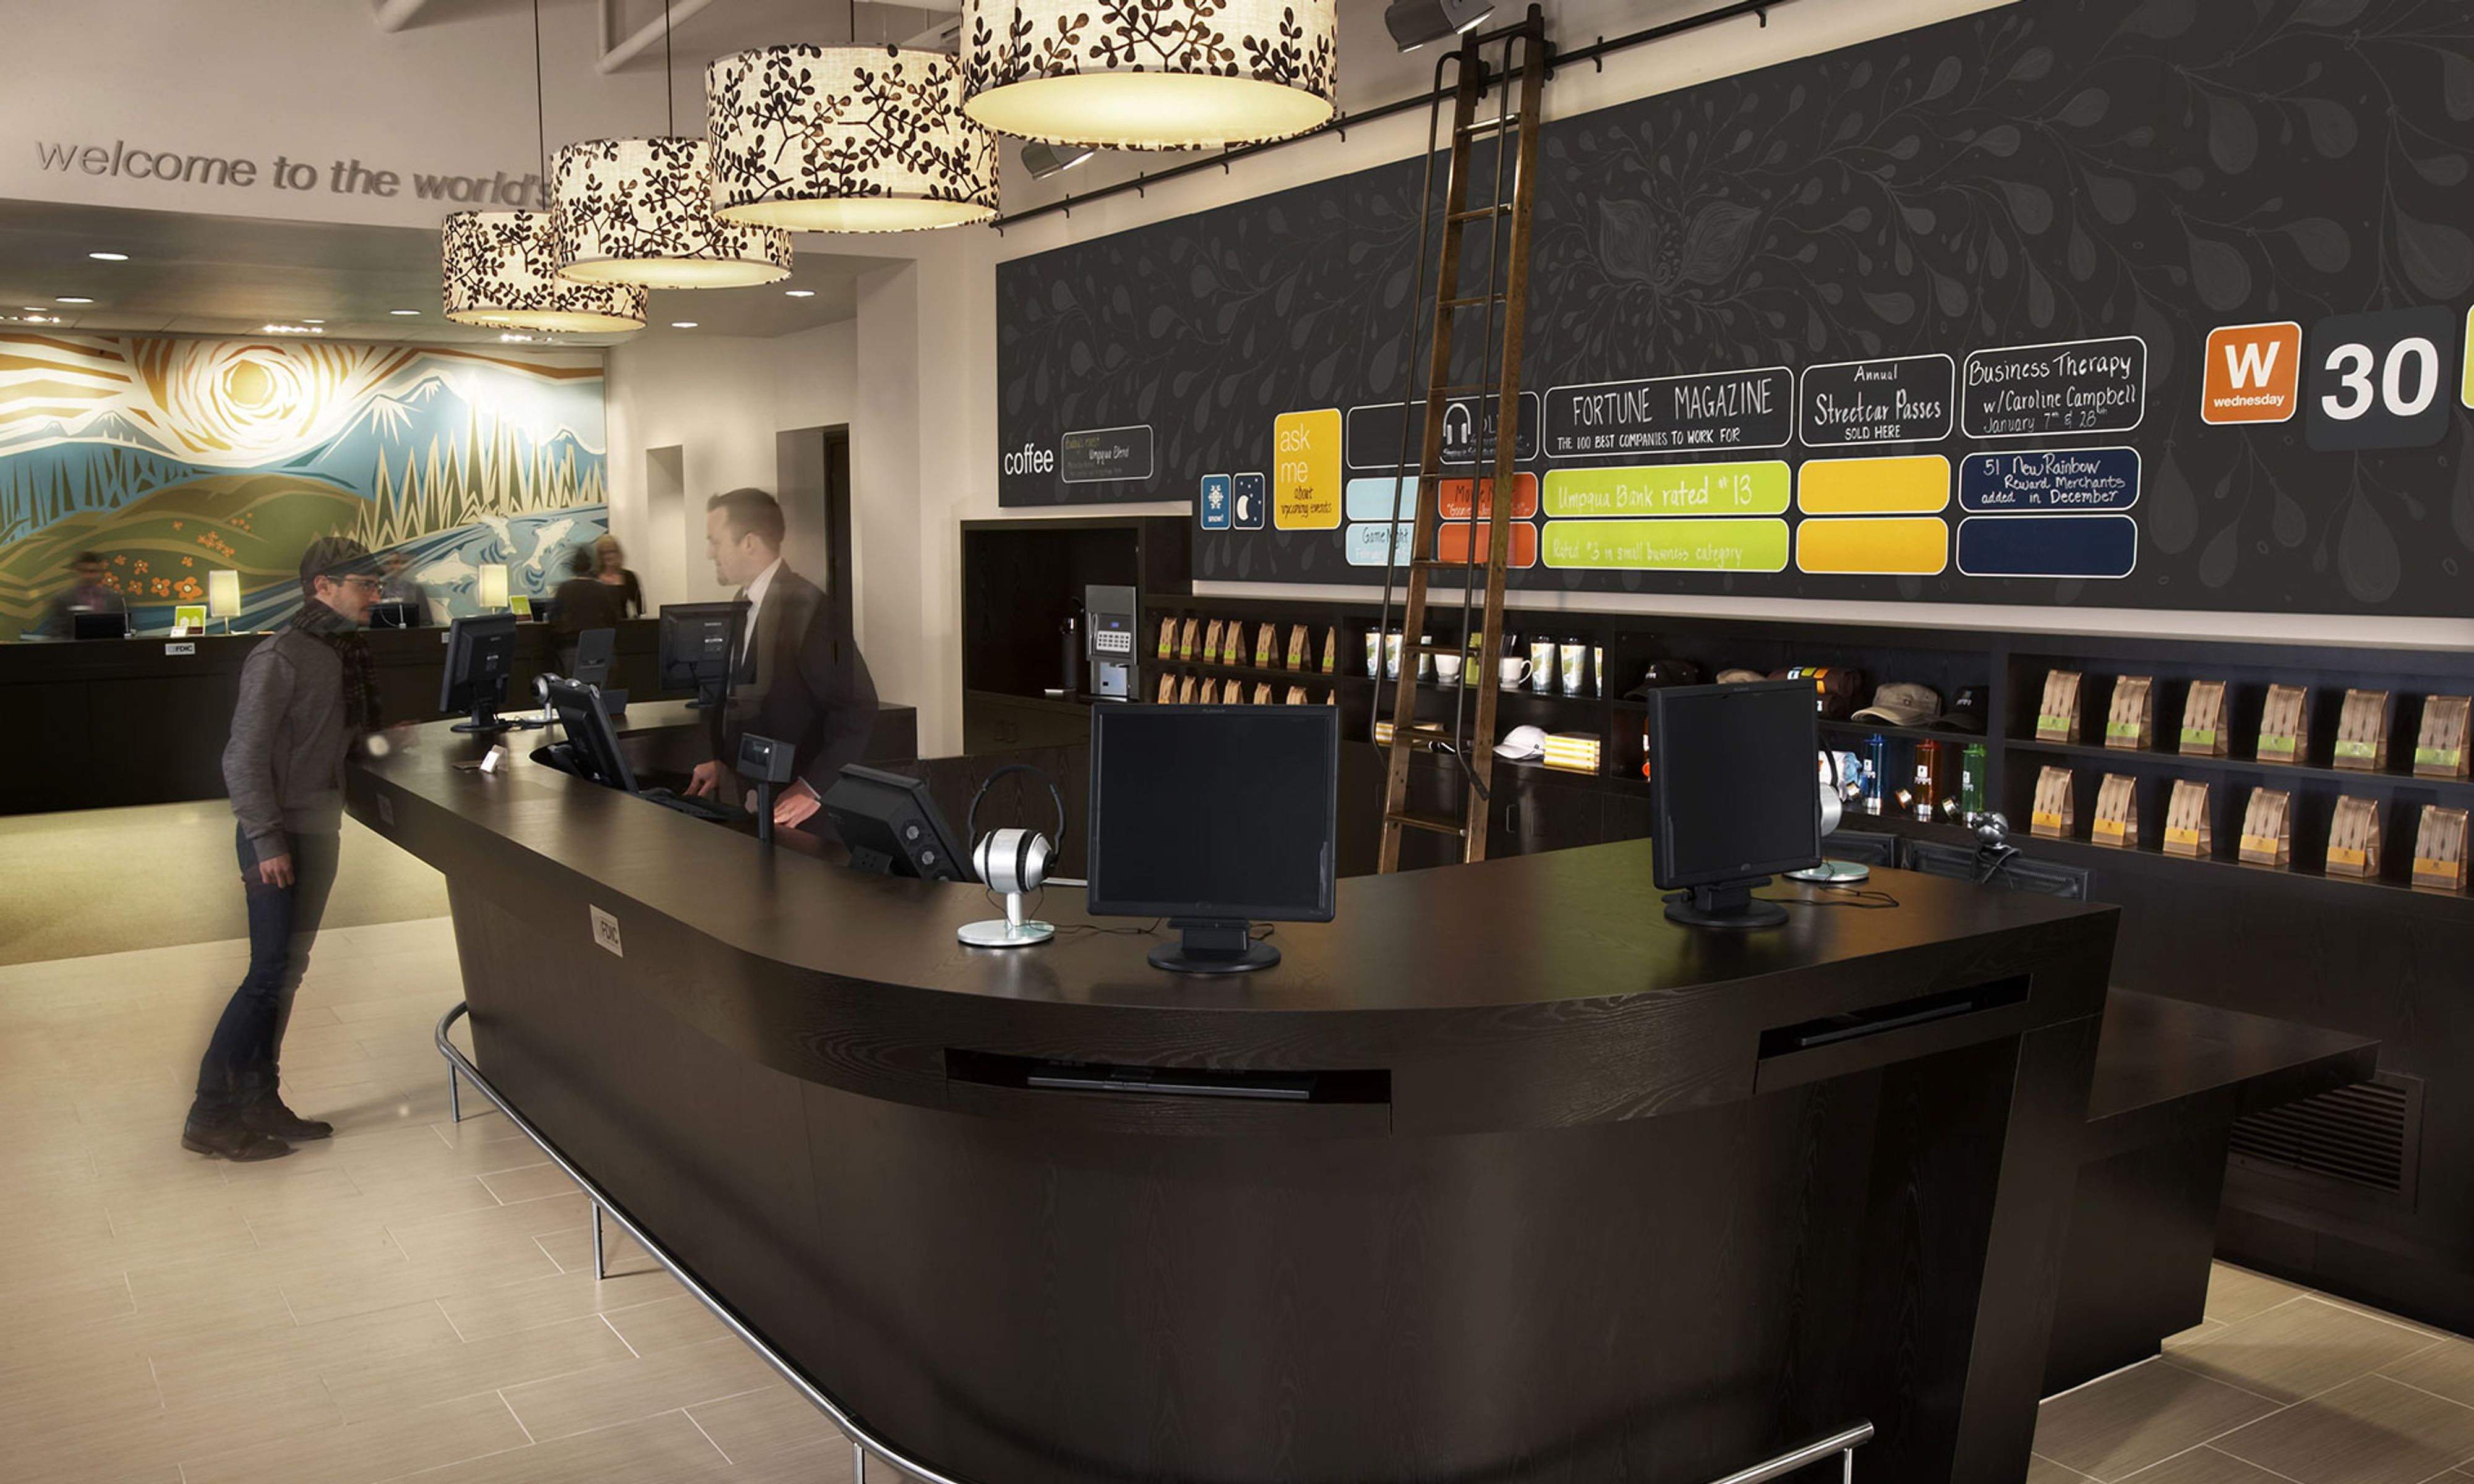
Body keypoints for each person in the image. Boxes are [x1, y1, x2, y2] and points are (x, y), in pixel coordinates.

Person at [181, 536, 385, 1162]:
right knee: (267, 975)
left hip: (321, 827)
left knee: (287, 974)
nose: (375, 597)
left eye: (378, 585)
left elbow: (331, 740)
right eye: (363, 585)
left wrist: (383, 743)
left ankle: (259, 1099)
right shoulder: (280, 657)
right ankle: (210, 1115)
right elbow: (241, 758)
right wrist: (267, 841)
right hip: (277, 836)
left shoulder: (341, 654)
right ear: (321, 586)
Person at [684, 488, 876, 834]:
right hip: (755, 799)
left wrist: (814, 788)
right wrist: (724, 762)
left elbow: (857, 707)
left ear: (749, 543)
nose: (709, 553)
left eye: (715, 542)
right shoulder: (740, 602)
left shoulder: (809, 608)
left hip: (798, 814)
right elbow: (746, 700)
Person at [552, 545, 622, 675]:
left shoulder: (565, 589)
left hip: (572, 650)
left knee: (572, 693)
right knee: (602, 692)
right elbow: (612, 619)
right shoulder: (602, 589)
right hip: (602, 649)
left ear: (573, 567)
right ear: (591, 566)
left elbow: (554, 620)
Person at [40, 550, 125, 636]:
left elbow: (127, 631)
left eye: (93, 571)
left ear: (100, 572)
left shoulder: (116, 600)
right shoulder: (61, 600)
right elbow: (55, 635)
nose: (88, 576)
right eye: (83, 571)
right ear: (75, 571)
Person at [594, 534, 644, 619]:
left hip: (624, 628)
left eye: (612, 551)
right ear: (599, 556)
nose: (608, 556)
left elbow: (639, 609)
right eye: (604, 553)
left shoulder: (629, 577)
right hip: (598, 628)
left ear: (618, 553)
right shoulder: (593, 578)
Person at [378, 550, 430, 621]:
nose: (393, 567)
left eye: (396, 562)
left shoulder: (416, 589)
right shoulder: (375, 590)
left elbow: (426, 619)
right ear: (380, 567)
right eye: (387, 563)